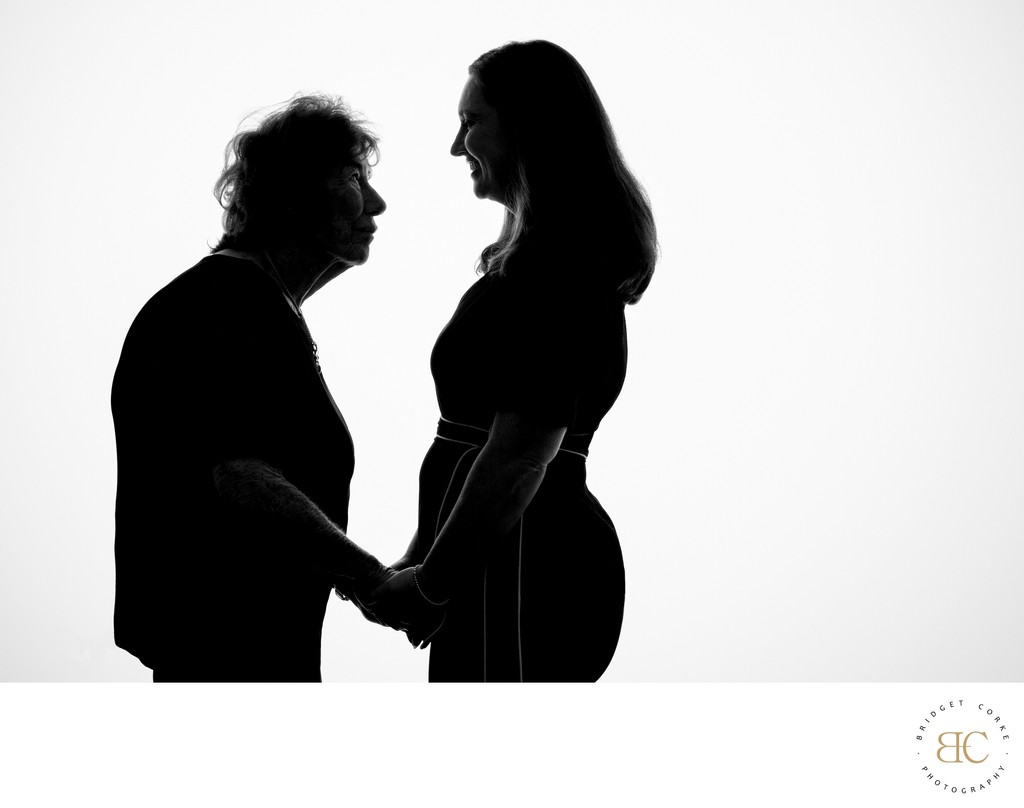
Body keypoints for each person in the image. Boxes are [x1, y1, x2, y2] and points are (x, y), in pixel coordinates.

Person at [362, 41, 658, 681]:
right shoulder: (532, 266)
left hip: (526, 565)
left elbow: (521, 453)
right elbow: (476, 447)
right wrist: (420, 564)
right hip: (494, 562)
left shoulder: (559, 268)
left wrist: (431, 585)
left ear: (528, 127)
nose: (454, 145)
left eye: (472, 121)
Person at [111, 94, 394, 682]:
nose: (377, 203)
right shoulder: (224, 303)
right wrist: (372, 580)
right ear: (291, 198)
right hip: (225, 659)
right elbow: (240, 475)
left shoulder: (254, 306)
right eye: (351, 177)